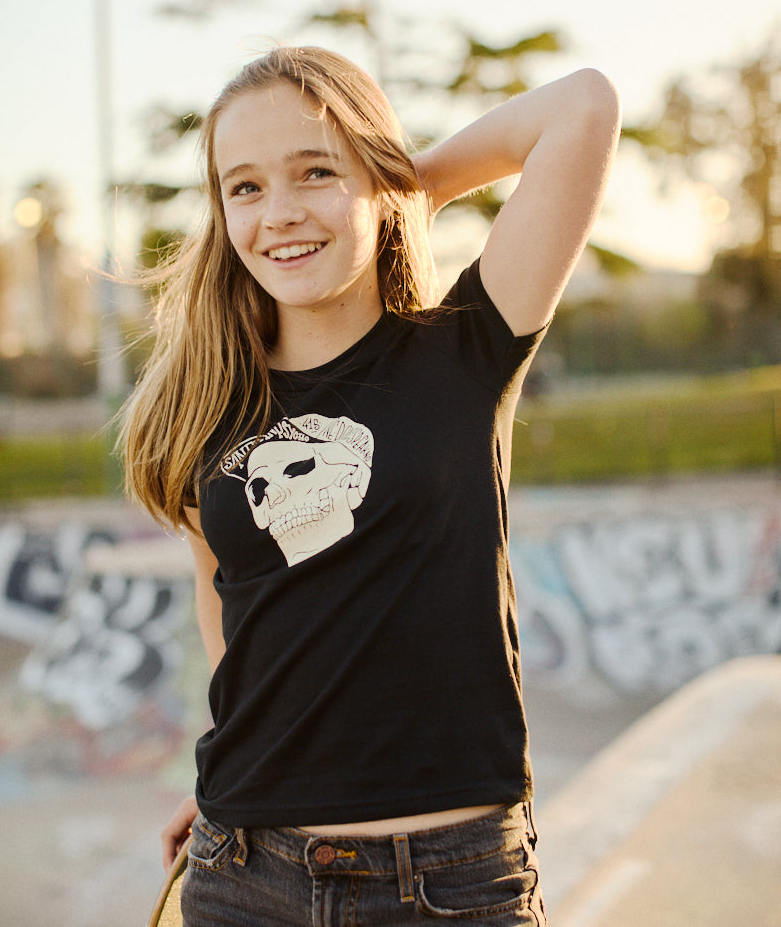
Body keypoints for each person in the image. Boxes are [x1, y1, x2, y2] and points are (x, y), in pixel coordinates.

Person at [119, 45, 620, 925]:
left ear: (375, 173)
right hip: (244, 865)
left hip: (448, 882)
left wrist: (401, 188)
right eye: (245, 187)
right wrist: (231, 764)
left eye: (314, 170)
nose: (279, 213)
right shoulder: (210, 399)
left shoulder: (464, 349)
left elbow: (581, 107)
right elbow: (227, 595)